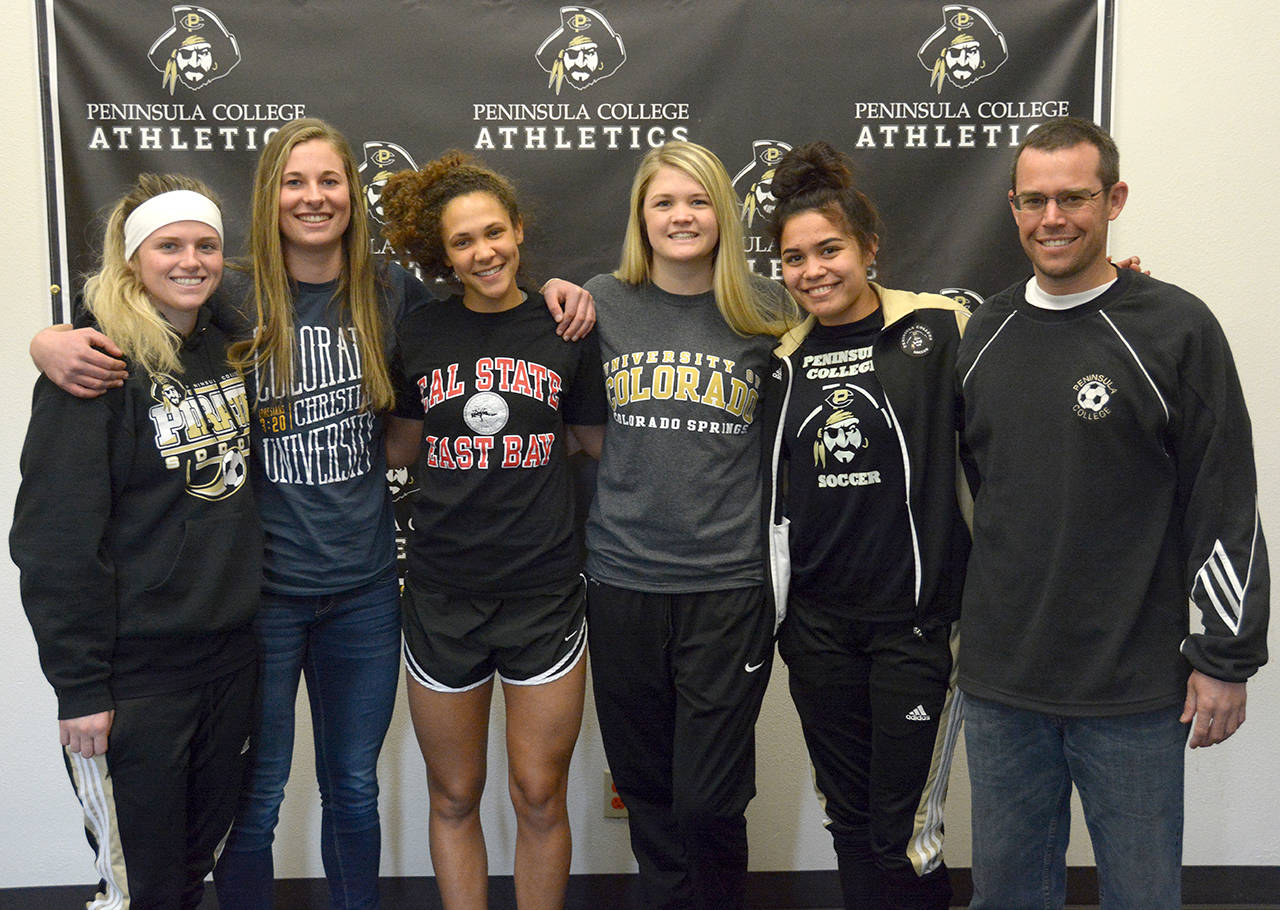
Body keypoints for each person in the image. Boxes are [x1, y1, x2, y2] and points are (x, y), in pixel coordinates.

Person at [29, 120, 597, 909]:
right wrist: (49, 339)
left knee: (354, 790)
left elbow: (485, 317)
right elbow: (142, 315)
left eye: (329, 180)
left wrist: (570, 291)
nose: (314, 197)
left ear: (350, 194)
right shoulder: (228, 291)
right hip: (259, 593)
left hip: (365, 587)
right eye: (295, 182)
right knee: (256, 803)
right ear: (270, 195)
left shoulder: (389, 291)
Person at [956, 116, 1269, 908]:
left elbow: (1223, 496)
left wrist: (1225, 656)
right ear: (1013, 206)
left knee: (1142, 895)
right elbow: (979, 493)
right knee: (1008, 897)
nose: (1052, 218)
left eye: (1073, 198)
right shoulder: (984, 332)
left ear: (1114, 198)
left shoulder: (1176, 328)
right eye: (1034, 200)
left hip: (1133, 685)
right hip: (1003, 685)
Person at [11, 174, 261, 908]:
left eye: (206, 245)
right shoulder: (95, 365)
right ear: (132, 261)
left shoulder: (226, 341)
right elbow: (55, 540)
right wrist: (81, 686)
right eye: (170, 246)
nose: (191, 260)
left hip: (226, 661)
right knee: (136, 885)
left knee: (189, 871)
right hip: (133, 678)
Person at [378, 152, 607, 910]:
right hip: (442, 592)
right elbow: (403, 446)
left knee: (540, 794)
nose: (484, 252)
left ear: (517, 231)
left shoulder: (566, 324)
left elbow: (590, 442)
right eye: (464, 242)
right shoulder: (420, 333)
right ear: (443, 257)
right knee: (455, 795)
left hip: (543, 591)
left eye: (494, 233)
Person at [583, 140, 797, 910]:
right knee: (645, 789)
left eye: (698, 200)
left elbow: (872, 328)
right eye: (664, 202)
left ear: (725, 213)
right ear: (641, 216)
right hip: (621, 582)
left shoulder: (771, 309)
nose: (682, 216)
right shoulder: (600, 301)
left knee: (708, 799)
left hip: (727, 587)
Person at [764, 142, 968, 909]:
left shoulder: (940, 327)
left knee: (903, 827)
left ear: (869, 249)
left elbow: (1032, 354)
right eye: (794, 258)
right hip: (817, 629)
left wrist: (1121, 293)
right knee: (847, 818)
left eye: (829, 250)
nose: (813, 270)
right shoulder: (780, 360)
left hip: (913, 628)